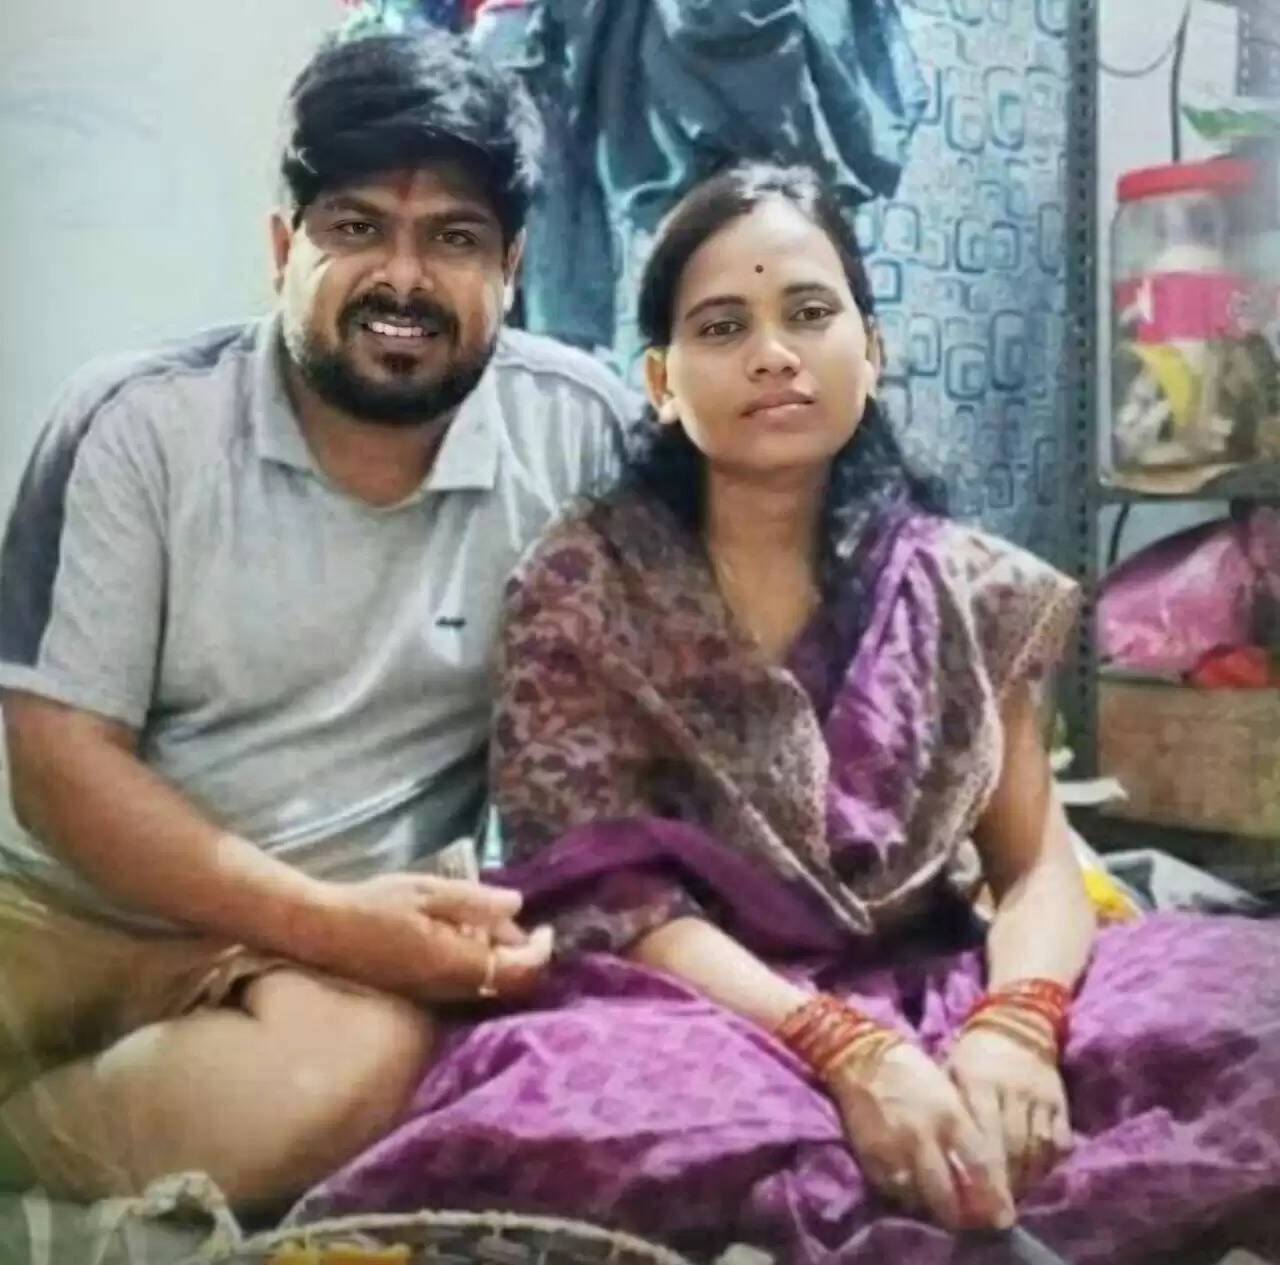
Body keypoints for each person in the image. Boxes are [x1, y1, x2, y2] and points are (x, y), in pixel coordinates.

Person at [291, 163, 1280, 1264]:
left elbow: (1034, 862)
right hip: (686, 1000)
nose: (772, 352)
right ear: (662, 380)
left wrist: (1018, 1026)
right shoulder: (584, 587)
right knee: (623, 1125)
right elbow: (609, 898)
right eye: (723, 327)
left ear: (872, 349)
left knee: (1245, 1015)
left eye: (809, 313)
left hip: (933, 973)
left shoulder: (962, 588)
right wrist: (841, 1045)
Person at [0, 29, 630, 1209]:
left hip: (307, 976)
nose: (403, 279)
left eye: (454, 238)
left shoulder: (579, 434)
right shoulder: (138, 424)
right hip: (60, 906)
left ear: (511, 266)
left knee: (340, 1077)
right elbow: (58, 765)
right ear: (283, 246)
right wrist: (335, 921)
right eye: (356, 227)